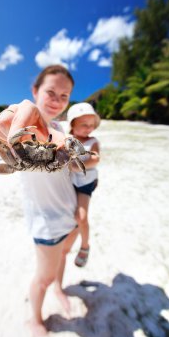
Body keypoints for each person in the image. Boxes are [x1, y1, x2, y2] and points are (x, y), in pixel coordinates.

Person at [0, 65, 95, 337]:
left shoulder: (61, 128)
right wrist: (11, 127)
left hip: (70, 214)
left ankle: (59, 289)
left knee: (63, 257)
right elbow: (8, 129)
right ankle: (35, 320)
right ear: (35, 91)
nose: (57, 100)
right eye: (51, 92)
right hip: (46, 224)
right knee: (43, 278)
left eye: (65, 95)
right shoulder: (26, 130)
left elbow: (75, 158)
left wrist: (80, 154)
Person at [67, 103, 100, 267]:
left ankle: (85, 245)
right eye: (84, 125)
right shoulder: (66, 140)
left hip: (85, 183)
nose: (89, 129)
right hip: (70, 182)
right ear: (72, 124)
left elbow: (95, 159)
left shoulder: (92, 141)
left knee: (81, 216)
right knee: (69, 213)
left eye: (92, 125)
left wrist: (75, 166)